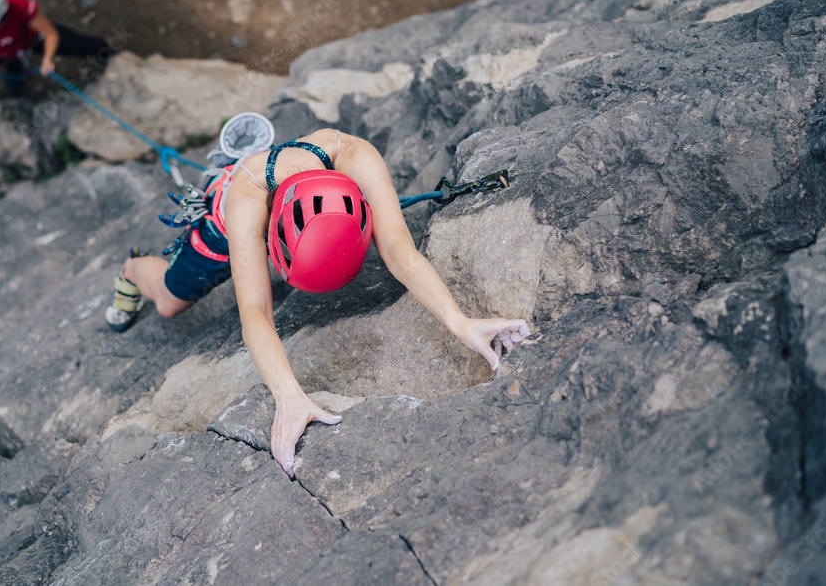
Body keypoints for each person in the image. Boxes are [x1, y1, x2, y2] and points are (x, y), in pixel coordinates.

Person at [105, 128, 531, 477]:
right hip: (224, 216)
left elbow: (401, 254)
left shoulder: (352, 155)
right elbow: (255, 311)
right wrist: (288, 395)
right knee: (167, 302)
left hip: (284, 186)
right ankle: (132, 270)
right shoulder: (247, 202)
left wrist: (463, 323)